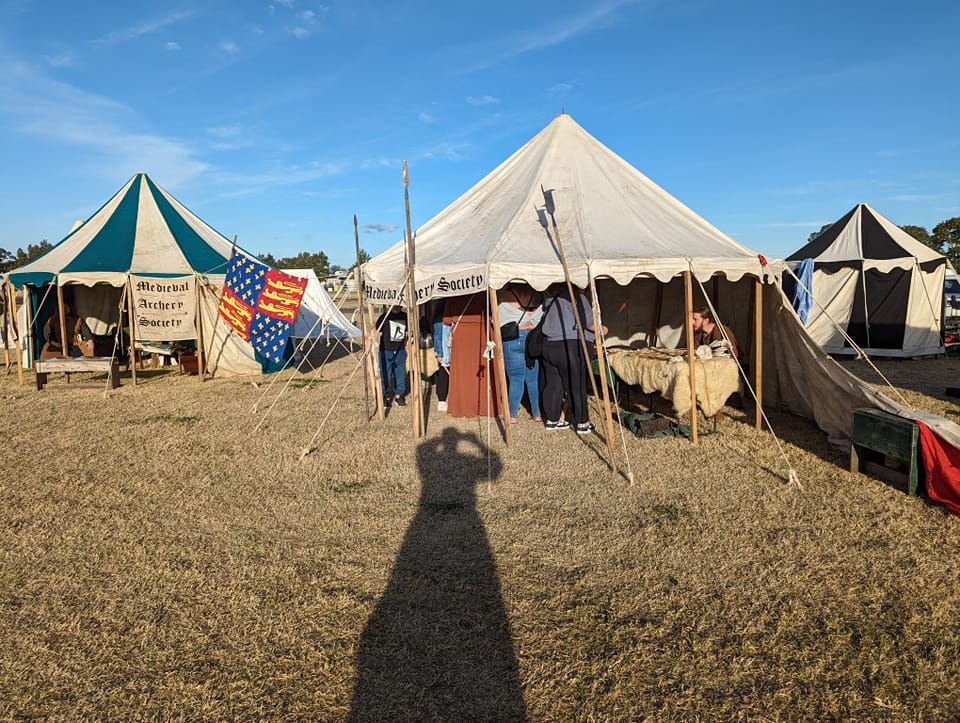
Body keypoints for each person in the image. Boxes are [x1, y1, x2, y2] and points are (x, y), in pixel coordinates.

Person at [539, 284, 604, 434]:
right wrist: (602, 328)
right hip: (570, 345)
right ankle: (582, 422)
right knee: (576, 384)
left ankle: (552, 420)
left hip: (549, 345)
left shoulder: (550, 299)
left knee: (553, 384)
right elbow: (590, 324)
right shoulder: (578, 298)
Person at [497, 284, 543, 424]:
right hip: (533, 339)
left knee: (516, 379)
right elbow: (542, 318)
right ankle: (537, 414)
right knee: (533, 379)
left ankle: (512, 415)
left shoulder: (505, 298)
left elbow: (497, 320)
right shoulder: (540, 296)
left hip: (513, 339)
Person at [376, 305, 408, 407]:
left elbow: (409, 331)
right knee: (386, 373)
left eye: (399, 305)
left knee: (400, 373)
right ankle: (384, 395)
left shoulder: (405, 316)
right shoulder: (384, 317)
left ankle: (399, 395)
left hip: (400, 350)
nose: (397, 307)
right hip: (386, 350)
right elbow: (377, 329)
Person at [431, 301, 451, 412]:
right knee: (444, 374)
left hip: (449, 349)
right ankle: (442, 400)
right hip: (445, 351)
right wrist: (439, 353)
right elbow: (438, 336)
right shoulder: (439, 320)